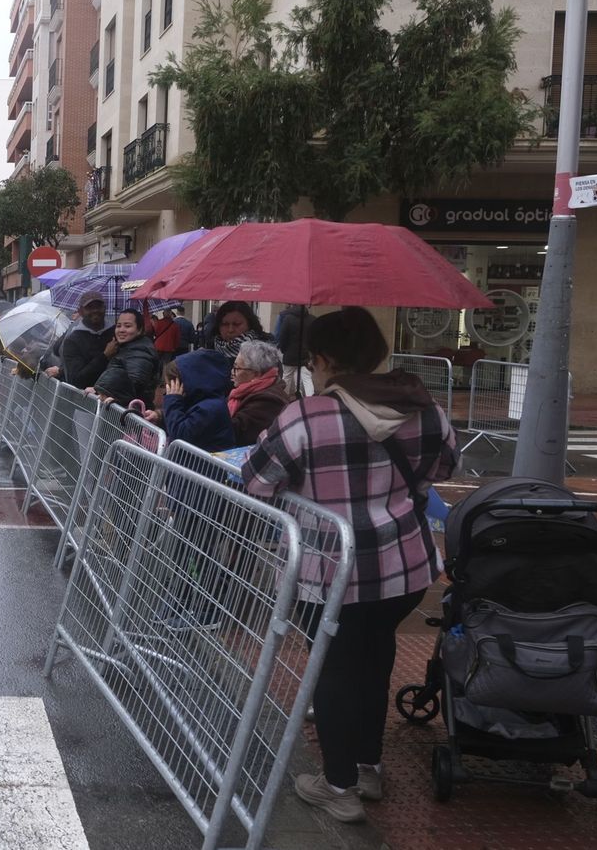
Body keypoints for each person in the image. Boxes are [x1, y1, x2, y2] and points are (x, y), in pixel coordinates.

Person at [241, 307, 457, 824]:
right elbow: (445, 464)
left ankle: (337, 785)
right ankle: (366, 767)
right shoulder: (422, 407)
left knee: (333, 666)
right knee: (374, 658)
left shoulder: (305, 417)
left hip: (328, 570)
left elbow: (256, 483)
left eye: (315, 361)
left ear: (326, 360)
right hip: (404, 567)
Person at [159, 350, 235, 451]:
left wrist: (173, 400)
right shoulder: (198, 400)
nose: (168, 389)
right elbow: (181, 419)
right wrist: (159, 417)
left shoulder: (210, 408)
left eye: (171, 384)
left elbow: (180, 435)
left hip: (206, 465)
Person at [88, 309, 159, 407]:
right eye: (118, 326)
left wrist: (115, 397)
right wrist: (99, 390)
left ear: (140, 330)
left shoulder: (140, 350)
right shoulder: (125, 347)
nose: (121, 330)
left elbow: (135, 383)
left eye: (128, 326)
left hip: (131, 411)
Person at [44, 291, 111, 390]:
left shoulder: (115, 333)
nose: (95, 310)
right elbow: (76, 380)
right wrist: (105, 356)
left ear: (104, 308)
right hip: (84, 400)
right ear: (80, 312)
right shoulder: (72, 341)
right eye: (89, 307)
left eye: (98, 306)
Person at [228, 340, 289, 447]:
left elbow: (234, 430)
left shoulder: (268, 400)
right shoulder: (247, 391)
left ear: (255, 373)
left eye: (237, 368)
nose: (232, 372)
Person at [275, 303, 315, 397]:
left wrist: (284, 350)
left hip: (290, 354)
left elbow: (282, 337)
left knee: (287, 377)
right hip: (306, 355)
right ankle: (310, 399)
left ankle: (284, 399)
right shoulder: (312, 319)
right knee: (307, 378)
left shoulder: (288, 319)